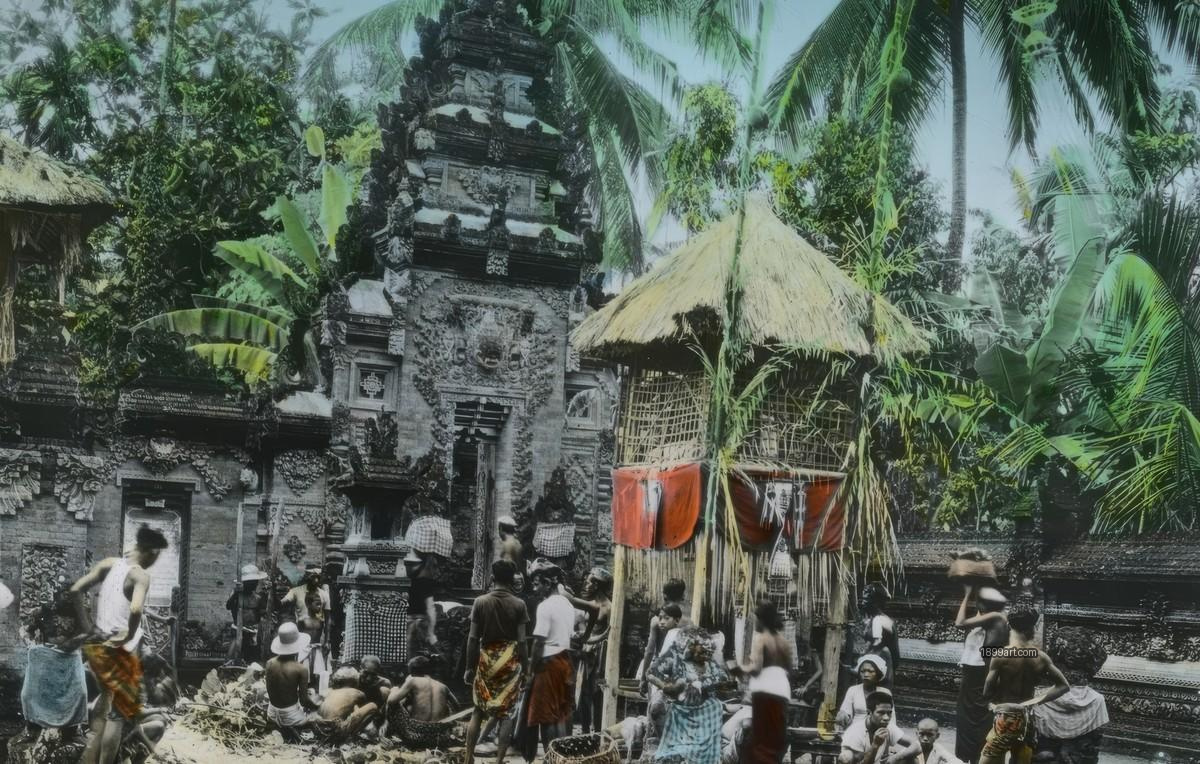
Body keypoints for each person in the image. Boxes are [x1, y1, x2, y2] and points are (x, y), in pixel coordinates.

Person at [70, 524, 168, 764]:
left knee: (106, 705)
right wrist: (128, 635)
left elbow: (75, 590)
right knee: (117, 715)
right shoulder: (140, 575)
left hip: (98, 644)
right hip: (121, 649)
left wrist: (88, 627)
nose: (155, 561)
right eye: (157, 556)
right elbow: (135, 608)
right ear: (151, 551)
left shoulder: (109, 565)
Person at [980, 607, 1070, 764]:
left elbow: (987, 693)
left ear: (1009, 626)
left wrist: (996, 701)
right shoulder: (1041, 657)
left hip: (1005, 717)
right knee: (1021, 759)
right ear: (1033, 628)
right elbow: (1064, 686)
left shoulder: (1000, 656)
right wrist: (1034, 701)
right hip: (1027, 718)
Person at [464, 559, 529, 764]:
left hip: (487, 660)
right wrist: (525, 670)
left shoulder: (480, 602)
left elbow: (473, 638)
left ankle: (467, 757)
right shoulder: (519, 604)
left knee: (478, 708)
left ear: (492, 578)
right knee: (507, 713)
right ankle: (499, 760)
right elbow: (522, 642)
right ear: (511, 580)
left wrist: (468, 667)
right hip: (509, 661)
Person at [645, 626, 731, 764]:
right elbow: (651, 672)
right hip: (679, 709)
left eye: (708, 649)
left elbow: (723, 678)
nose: (706, 653)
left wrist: (701, 683)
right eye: (701, 648)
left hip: (705, 711)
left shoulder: (707, 661)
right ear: (689, 645)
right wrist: (670, 686)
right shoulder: (675, 655)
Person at [20, 589, 89, 743]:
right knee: (28, 694)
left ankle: (72, 731)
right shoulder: (43, 611)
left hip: (70, 658)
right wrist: (31, 645)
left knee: (81, 693)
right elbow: (25, 630)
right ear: (57, 596)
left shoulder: (80, 615)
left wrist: (74, 643)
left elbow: (87, 633)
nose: (68, 599)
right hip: (46, 657)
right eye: (64, 595)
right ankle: (32, 728)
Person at [955, 586, 1010, 763]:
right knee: (967, 723)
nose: (979, 605)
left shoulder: (997, 617)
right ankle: (971, 758)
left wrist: (966, 595)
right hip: (971, 679)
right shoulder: (982, 621)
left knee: (982, 723)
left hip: (983, 677)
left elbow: (959, 622)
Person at [526, 563, 576, 753]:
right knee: (560, 714)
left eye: (537, 584)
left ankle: (550, 757)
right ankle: (560, 756)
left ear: (548, 584)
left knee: (546, 715)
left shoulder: (545, 606)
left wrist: (531, 671)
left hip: (548, 662)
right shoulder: (568, 604)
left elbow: (538, 643)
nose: (534, 588)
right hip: (565, 660)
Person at [737, 601, 793, 764]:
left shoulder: (761, 638)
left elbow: (756, 669)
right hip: (782, 690)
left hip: (765, 690)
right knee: (774, 738)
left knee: (762, 739)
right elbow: (790, 669)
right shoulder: (784, 641)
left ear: (761, 620)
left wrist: (740, 668)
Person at [566, 566, 613, 734]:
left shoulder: (608, 607)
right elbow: (578, 627)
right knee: (582, 693)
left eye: (592, 582)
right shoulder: (587, 603)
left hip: (599, 653)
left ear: (600, 585)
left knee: (596, 693)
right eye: (587, 581)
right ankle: (585, 732)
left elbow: (611, 634)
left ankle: (599, 731)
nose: (588, 584)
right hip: (582, 652)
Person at [282, 565, 332, 691]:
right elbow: (282, 604)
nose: (316, 580)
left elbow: (328, 618)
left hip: (318, 638)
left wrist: (327, 640)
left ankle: (314, 691)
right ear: (306, 577)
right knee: (302, 669)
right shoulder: (296, 591)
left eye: (318, 578)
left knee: (318, 669)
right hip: (303, 636)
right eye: (313, 577)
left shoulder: (324, 595)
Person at [264, 622, 320, 731]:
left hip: (272, 713)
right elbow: (304, 701)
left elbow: (272, 689)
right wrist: (317, 707)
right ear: (298, 645)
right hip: (291, 717)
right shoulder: (300, 669)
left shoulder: (269, 663)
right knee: (315, 712)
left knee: (310, 694)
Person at [837, 688, 917, 764]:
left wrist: (896, 758)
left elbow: (917, 745)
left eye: (889, 713)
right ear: (869, 713)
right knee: (846, 757)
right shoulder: (855, 732)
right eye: (881, 713)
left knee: (912, 759)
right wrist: (875, 745)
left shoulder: (888, 726)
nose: (886, 718)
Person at [644, 603, 683, 741]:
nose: (661, 621)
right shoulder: (674, 634)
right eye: (660, 618)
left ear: (677, 620)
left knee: (656, 710)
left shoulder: (673, 634)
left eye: (666, 618)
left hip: (670, 683)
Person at [640, 578, 688, 689]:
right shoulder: (688, 622)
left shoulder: (656, 620)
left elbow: (649, 651)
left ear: (665, 595)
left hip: (660, 668)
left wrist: (643, 678)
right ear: (682, 596)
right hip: (679, 671)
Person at [837, 655, 899, 732]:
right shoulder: (853, 690)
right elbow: (846, 711)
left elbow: (891, 719)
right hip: (856, 731)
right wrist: (843, 715)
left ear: (878, 673)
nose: (866, 675)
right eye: (863, 671)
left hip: (878, 731)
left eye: (870, 671)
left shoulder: (885, 692)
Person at [315, 667, 379, 743]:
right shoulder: (357, 693)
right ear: (354, 681)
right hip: (335, 732)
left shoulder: (329, 691)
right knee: (372, 706)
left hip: (319, 730)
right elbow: (360, 713)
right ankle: (353, 737)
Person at [853, 583, 899, 686]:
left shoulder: (883, 622)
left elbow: (893, 656)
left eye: (867, 599)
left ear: (877, 602)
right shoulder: (870, 620)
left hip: (879, 675)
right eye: (863, 599)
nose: (863, 602)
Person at [225, 563, 268, 665]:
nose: (255, 584)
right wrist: (236, 593)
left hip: (253, 630)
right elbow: (228, 606)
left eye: (256, 582)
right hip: (238, 629)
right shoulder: (237, 594)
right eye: (252, 582)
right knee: (233, 656)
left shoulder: (257, 597)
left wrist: (267, 596)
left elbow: (262, 612)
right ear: (246, 582)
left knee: (252, 659)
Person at [497, 516, 525, 592]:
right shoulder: (517, 543)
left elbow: (506, 568)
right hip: (517, 582)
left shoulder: (507, 544)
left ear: (501, 529)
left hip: (509, 585)